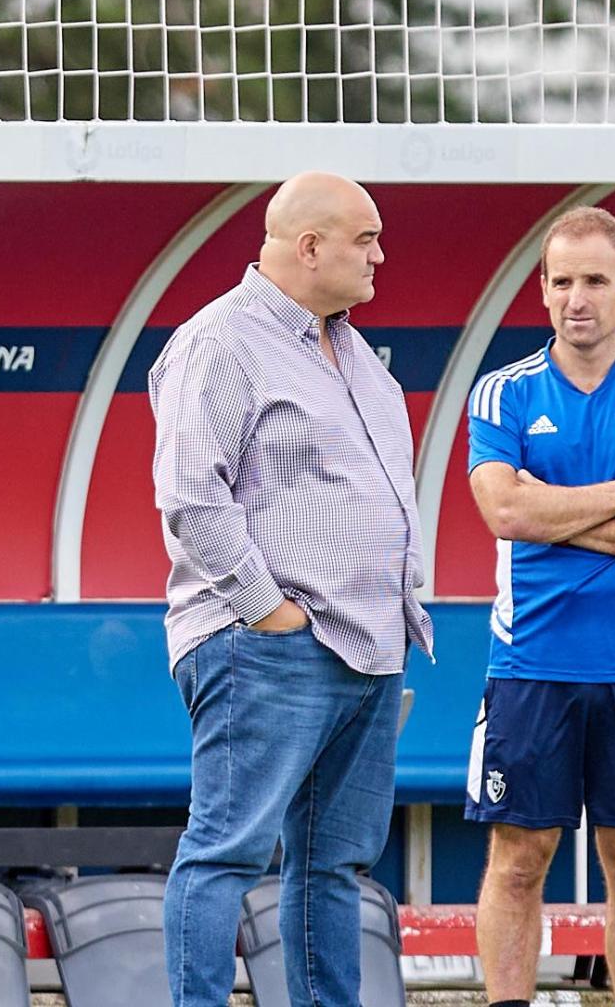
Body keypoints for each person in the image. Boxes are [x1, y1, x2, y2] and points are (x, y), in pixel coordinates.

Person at [149, 171, 433, 1007]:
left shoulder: (355, 356)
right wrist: (271, 614)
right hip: (271, 645)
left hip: (370, 649)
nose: (382, 254)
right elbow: (191, 498)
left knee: (334, 865)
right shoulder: (222, 340)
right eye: (367, 238)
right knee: (226, 853)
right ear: (309, 247)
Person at [463, 206, 615, 1007]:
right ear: (541, 291)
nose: (578, 297)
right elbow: (506, 515)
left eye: (596, 280)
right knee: (518, 859)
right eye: (562, 280)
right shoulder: (502, 394)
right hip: (530, 664)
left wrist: (557, 508)